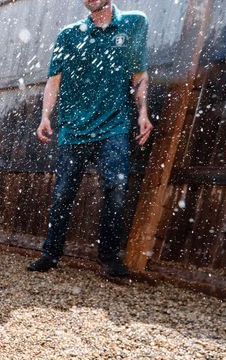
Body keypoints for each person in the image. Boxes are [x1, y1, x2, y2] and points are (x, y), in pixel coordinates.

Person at [29, 0, 152, 278]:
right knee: (63, 193)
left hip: (114, 127)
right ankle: (51, 253)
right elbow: (54, 80)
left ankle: (109, 259)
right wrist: (45, 116)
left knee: (116, 189)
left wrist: (143, 112)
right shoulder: (69, 35)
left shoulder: (133, 23)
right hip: (73, 130)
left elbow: (139, 75)